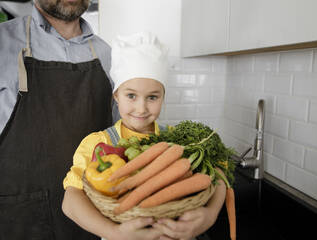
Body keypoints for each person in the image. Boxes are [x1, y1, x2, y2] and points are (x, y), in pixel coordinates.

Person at [62, 32, 227, 240]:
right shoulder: (99, 143)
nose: (141, 108)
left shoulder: (178, 140)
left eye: (152, 97)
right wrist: (115, 233)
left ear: (163, 96)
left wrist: (210, 215)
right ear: (116, 96)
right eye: (131, 95)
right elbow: (70, 201)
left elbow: (220, 171)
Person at [0, 0, 114, 239]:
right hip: (17, 220)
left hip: (87, 220)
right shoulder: (3, 42)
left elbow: (120, 139)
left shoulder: (106, 54)